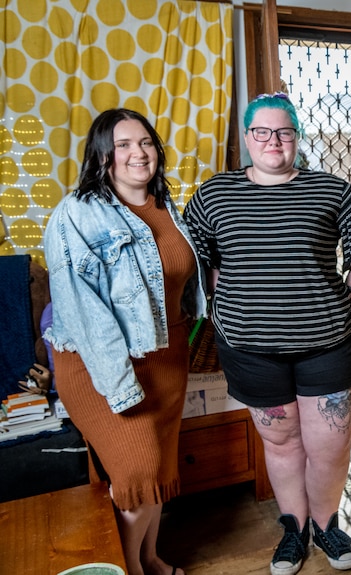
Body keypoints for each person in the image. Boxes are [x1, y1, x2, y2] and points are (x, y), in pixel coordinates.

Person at [183, 93, 351, 575]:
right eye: (262, 131)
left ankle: (326, 524)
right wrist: (228, 295)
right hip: (251, 350)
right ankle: (294, 531)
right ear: (246, 137)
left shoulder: (328, 190)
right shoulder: (215, 194)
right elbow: (195, 255)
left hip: (326, 342)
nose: (273, 141)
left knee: (330, 445)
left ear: (296, 138)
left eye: (284, 132)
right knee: (281, 445)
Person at [44, 108, 207, 575]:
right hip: (105, 365)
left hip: (166, 360)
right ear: (102, 157)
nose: (138, 153)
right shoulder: (76, 213)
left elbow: (179, 287)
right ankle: (130, 570)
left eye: (146, 143)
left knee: (157, 475)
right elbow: (82, 310)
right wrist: (119, 386)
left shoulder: (166, 206)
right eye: (123, 145)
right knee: (137, 475)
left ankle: (150, 559)